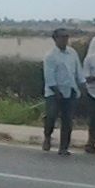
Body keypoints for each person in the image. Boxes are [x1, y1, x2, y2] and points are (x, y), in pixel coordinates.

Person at [41, 27, 83, 155]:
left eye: (66, 37)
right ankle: (47, 136)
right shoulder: (50, 56)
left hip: (70, 90)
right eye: (62, 37)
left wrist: (82, 86)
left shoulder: (72, 53)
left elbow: (78, 72)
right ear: (55, 39)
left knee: (67, 120)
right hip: (54, 92)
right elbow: (49, 76)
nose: (65, 39)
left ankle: (64, 147)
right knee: (52, 116)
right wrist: (57, 91)